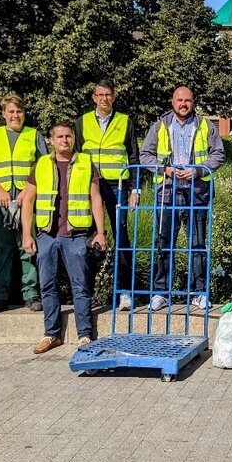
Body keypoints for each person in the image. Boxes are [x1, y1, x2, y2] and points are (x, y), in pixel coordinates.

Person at [21, 122, 107, 354]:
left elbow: (96, 199)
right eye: (59, 136)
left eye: (68, 136)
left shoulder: (86, 162)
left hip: (76, 236)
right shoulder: (41, 164)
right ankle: (52, 334)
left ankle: (84, 335)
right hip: (47, 235)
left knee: (80, 287)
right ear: (51, 140)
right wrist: (26, 234)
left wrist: (100, 232)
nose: (64, 140)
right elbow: (27, 201)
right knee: (47, 286)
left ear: (73, 139)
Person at [140, 86, 225, 311]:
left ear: (193, 102)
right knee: (164, 245)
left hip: (196, 193)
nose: (183, 104)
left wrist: (198, 170)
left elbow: (219, 153)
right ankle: (161, 293)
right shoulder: (160, 125)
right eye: (179, 100)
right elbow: (144, 155)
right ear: (172, 102)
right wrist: (163, 170)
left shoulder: (205, 125)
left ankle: (198, 292)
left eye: (187, 100)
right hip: (167, 193)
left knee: (196, 245)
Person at [0, 94, 49, 314]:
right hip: (0, 202)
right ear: (3, 113)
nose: (15, 115)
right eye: (11, 111)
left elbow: (43, 165)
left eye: (19, 111)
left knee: (28, 247)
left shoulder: (33, 135)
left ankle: (31, 293)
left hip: (28, 199)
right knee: (2, 248)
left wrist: (28, 191)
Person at [74, 79, 140, 310]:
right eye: (100, 95)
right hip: (89, 185)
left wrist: (135, 189)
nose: (104, 99)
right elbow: (77, 155)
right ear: (94, 97)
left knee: (122, 237)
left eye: (108, 95)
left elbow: (133, 157)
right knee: (90, 237)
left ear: (114, 97)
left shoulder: (124, 121)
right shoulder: (81, 122)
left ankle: (125, 292)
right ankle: (88, 293)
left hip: (117, 186)